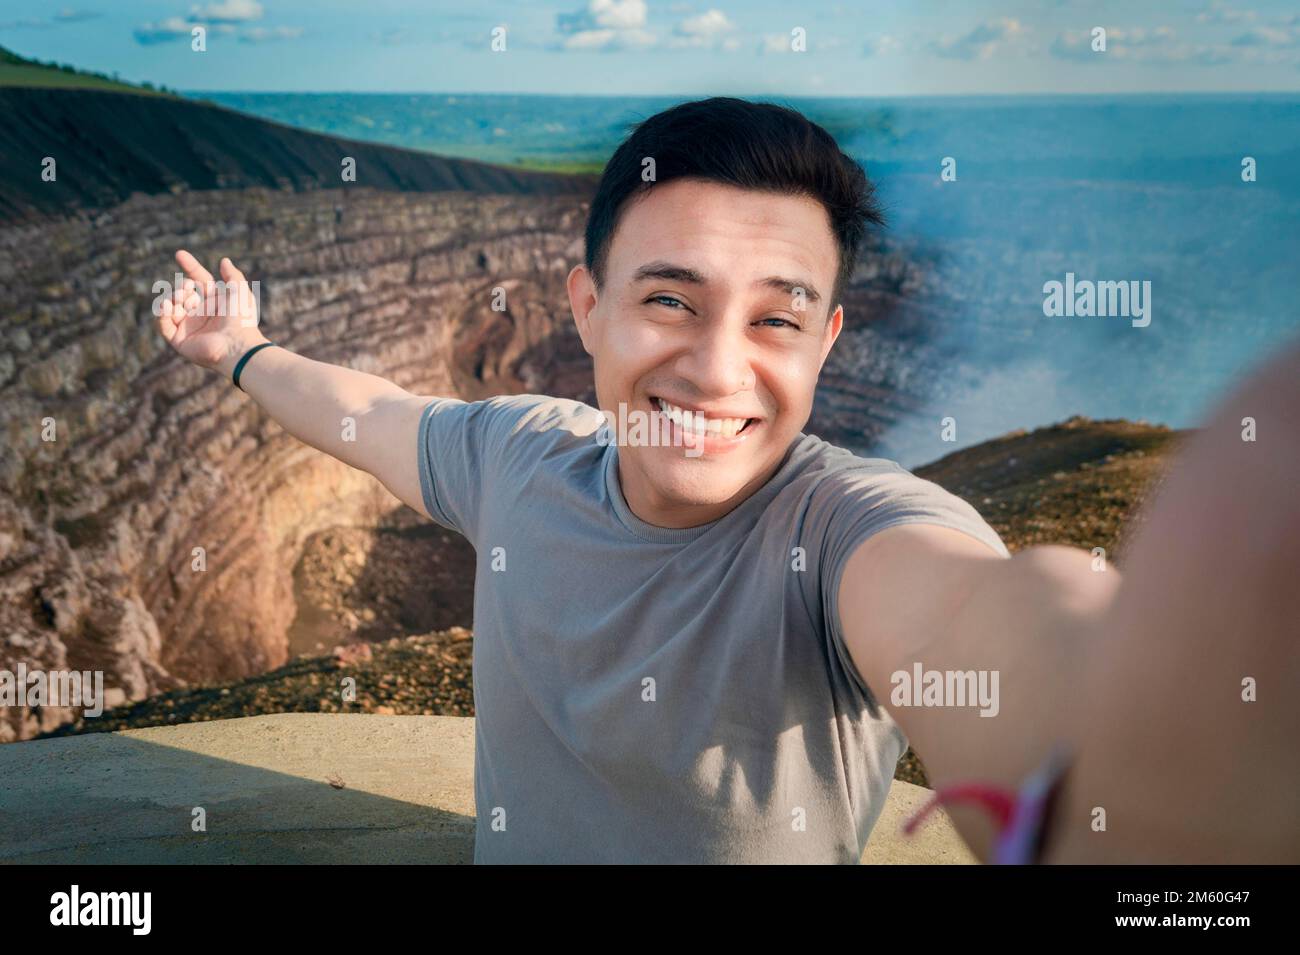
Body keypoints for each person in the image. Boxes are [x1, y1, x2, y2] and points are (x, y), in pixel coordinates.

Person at [156, 96, 1299, 864]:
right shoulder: (516, 454)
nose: (713, 368)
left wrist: (1143, 736)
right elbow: (366, 413)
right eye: (669, 300)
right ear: (584, 309)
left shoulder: (848, 528)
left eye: (775, 319)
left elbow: (982, 616)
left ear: (828, 343)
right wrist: (241, 351)